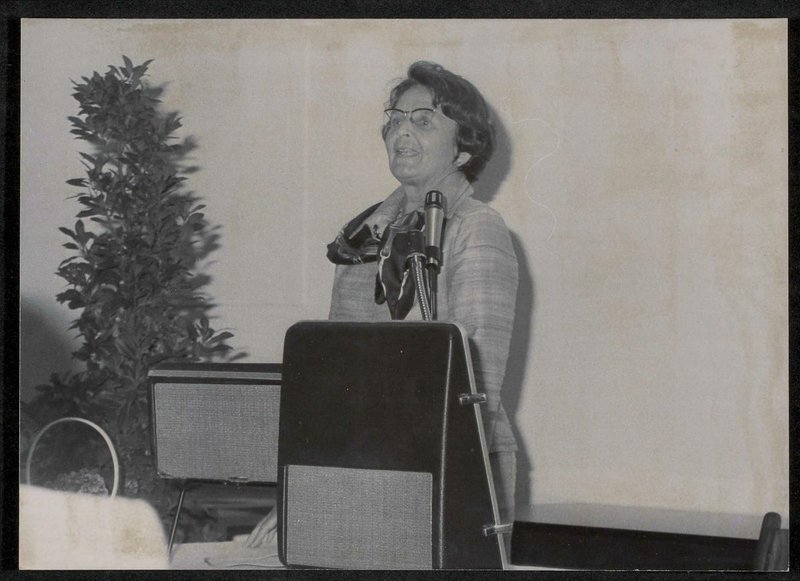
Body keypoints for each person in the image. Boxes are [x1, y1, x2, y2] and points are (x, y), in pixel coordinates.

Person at [246, 61, 519, 553]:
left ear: (463, 149)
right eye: (395, 119)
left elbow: (477, 391)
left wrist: (394, 491)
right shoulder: (363, 235)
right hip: (362, 469)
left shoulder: (477, 229)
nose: (401, 132)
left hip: (451, 471)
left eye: (424, 120)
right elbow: (335, 381)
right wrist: (304, 491)